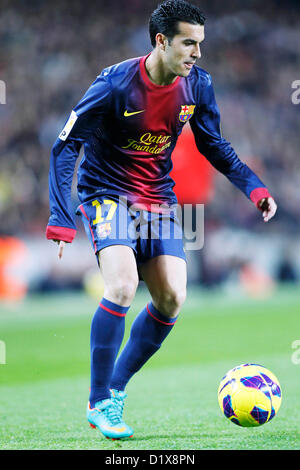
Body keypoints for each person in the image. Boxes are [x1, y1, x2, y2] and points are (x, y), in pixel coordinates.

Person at [46, 0, 277, 440]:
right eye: (189, 43)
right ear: (161, 41)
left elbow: (214, 144)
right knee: (121, 285)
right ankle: (99, 402)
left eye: (200, 44)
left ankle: (115, 388)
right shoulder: (115, 84)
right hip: (107, 194)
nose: (197, 53)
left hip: (158, 200)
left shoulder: (198, 86)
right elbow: (65, 145)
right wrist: (61, 216)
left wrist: (254, 187)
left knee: (172, 297)